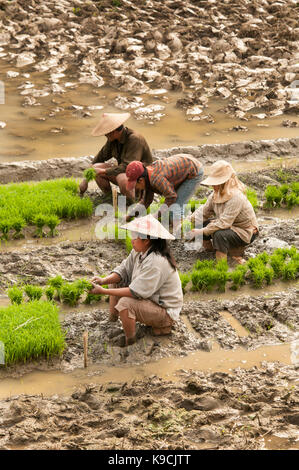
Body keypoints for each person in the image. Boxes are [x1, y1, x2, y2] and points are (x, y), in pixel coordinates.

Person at [89, 214, 183, 347]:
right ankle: (113, 320)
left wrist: (102, 291)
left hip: (165, 311)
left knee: (126, 304)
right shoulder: (139, 252)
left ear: (146, 240)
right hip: (150, 300)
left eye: (135, 236)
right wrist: (103, 281)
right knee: (115, 281)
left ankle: (130, 341)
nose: (132, 240)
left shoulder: (156, 262)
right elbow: (123, 271)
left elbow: (136, 292)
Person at [186, 160, 259, 264]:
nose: (213, 186)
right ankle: (211, 251)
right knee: (202, 224)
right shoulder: (215, 194)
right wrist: (188, 222)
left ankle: (222, 265)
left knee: (220, 235)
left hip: (244, 231)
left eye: (216, 183)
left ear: (225, 182)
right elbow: (203, 212)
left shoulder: (236, 197)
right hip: (228, 225)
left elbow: (224, 223)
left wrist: (201, 231)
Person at [79, 113, 153, 203]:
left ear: (114, 131)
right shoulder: (113, 140)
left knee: (122, 178)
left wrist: (103, 171)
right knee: (96, 167)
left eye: (106, 133)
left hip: (141, 178)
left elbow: (127, 167)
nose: (105, 135)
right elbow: (100, 157)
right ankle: (110, 198)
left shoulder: (135, 139)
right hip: (125, 171)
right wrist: (86, 179)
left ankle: (133, 201)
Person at [125, 154, 204, 230]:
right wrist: (129, 216)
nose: (136, 189)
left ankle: (180, 234)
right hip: (182, 166)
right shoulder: (146, 177)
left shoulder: (157, 179)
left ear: (141, 180)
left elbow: (171, 197)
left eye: (135, 186)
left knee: (176, 206)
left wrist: (155, 216)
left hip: (194, 171)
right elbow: (146, 201)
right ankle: (179, 226)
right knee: (172, 208)